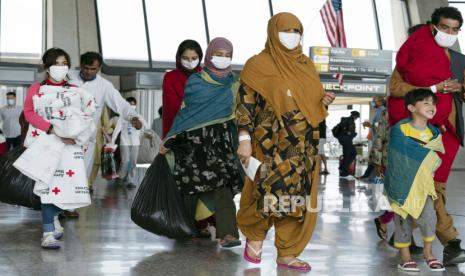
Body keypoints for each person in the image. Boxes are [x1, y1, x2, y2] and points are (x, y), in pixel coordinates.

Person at [236, 12, 335, 272]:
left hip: (303, 145)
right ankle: (255, 237)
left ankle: (287, 252)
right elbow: (244, 106)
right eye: (286, 30)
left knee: (296, 198)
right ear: (273, 31)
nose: (292, 37)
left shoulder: (306, 65)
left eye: (296, 31)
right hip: (268, 143)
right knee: (268, 190)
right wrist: (244, 139)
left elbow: (310, 104)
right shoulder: (257, 64)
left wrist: (322, 102)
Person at [388, 7, 465, 265]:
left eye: (455, 30)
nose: (449, 33)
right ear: (433, 26)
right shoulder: (412, 56)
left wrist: (459, 87)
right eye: (445, 28)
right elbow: (396, 88)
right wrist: (434, 87)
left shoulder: (457, 59)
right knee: (429, 188)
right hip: (417, 134)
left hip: (447, 131)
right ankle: (451, 242)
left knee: (432, 187)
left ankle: (407, 236)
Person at [160, 37, 242, 247]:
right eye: (219, 54)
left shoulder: (235, 83)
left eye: (227, 55)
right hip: (192, 141)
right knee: (190, 187)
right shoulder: (196, 81)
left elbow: (241, 114)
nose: (222, 59)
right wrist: (170, 137)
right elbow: (185, 113)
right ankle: (185, 228)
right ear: (210, 54)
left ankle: (228, 233)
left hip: (221, 141)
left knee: (223, 184)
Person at [22, 48, 95, 249]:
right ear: (46, 67)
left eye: (65, 63)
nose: (61, 67)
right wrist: (52, 128)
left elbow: (86, 116)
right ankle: (47, 232)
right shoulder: (36, 88)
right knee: (47, 186)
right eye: (57, 63)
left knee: (67, 185)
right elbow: (29, 112)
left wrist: (76, 136)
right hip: (46, 142)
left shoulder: (75, 90)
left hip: (70, 147)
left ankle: (53, 219)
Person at [67, 52, 143, 217]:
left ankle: (70, 208)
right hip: (63, 135)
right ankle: (56, 206)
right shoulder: (69, 77)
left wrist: (133, 116)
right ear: (80, 65)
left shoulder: (104, 86)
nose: (88, 72)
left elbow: (120, 105)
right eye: (85, 68)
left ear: (99, 68)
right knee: (63, 172)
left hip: (87, 138)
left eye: (92, 69)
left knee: (81, 173)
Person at [384, 89, 445, 272]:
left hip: (423, 185)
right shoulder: (400, 130)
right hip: (401, 183)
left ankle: (429, 253)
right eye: (425, 103)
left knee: (428, 218)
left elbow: (434, 155)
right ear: (411, 107)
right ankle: (405, 257)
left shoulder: (434, 131)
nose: (431, 106)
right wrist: (425, 154)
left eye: (433, 103)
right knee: (403, 220)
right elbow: (399, 156)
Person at [162, 40, 203, 138]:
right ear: (179, 58)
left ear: (200, 58)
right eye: (185, 58)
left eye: (194, 58)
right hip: (177, 129)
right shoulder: (170, 77)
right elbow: (171, 107)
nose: (190, 62)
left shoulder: (206, 76)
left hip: (203, 129)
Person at [116, 97, 146, 189]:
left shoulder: (139, 117)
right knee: (125, 161)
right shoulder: (122, 117)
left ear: (135, 105)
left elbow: (145, 127)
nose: (131, 106)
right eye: (129, 104)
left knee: (132, 162)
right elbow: (117, 130)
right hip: (124, 142)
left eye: (133, 104)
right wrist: (112, 141)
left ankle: (129, 179)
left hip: (135, 143)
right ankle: (121, 177)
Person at [358, 96, 386, 180]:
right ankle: (369, 175)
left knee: (376, 158)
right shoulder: (378, 110)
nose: (372, 102)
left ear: (380, 101)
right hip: (377, 137)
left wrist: (370, 125)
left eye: (374, 101)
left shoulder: (381, 110)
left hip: (380, 138)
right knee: (375, 158)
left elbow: (381, 125)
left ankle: (372, 176)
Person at [336, 111, 360, 179]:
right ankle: (344, 170)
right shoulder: (351, 121)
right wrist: (354, 134)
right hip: (347, 140)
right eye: (357, 117)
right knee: (353, 153)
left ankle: (343, 170)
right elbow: (350, 133)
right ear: (355, 116)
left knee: (347, 155)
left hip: (342, 139)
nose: (356, 119)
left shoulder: (345, 119)